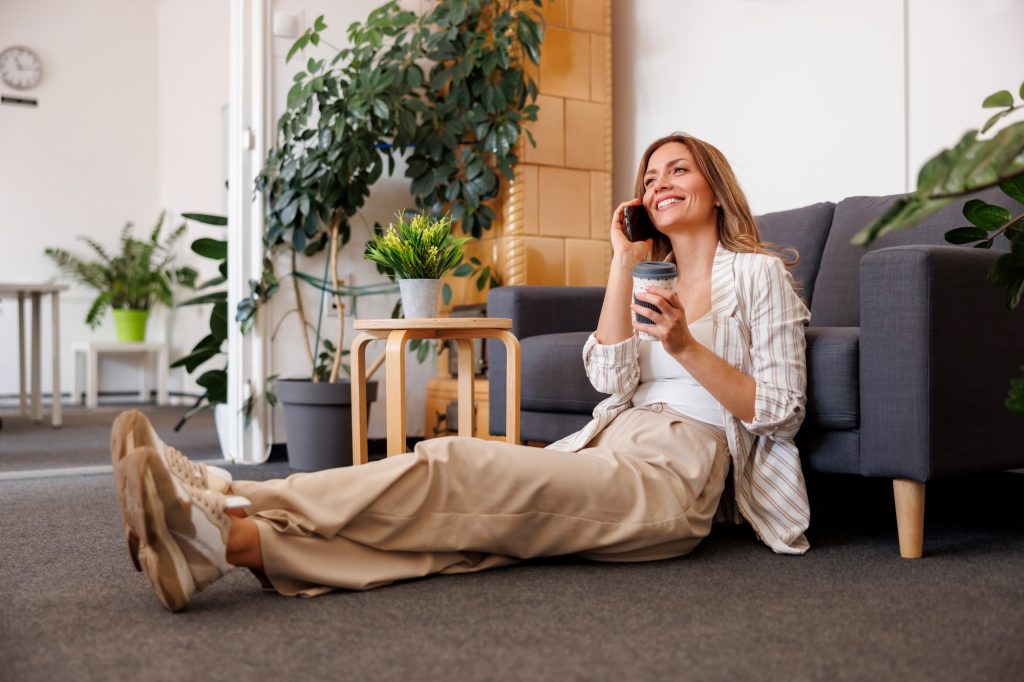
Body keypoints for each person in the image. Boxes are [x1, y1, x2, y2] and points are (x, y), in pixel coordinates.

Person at [110, 132, 811, 612]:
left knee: (455, 467)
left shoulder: (758, 276)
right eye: (650, 177)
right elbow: (609, 378)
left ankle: (224, 494)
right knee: (464, 533)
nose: (660, 184)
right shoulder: (643, 274)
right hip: (611, 440)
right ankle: (221, 543)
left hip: (674, 479)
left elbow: (782, 409)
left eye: (678, 170)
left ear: (715, 189)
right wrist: (622, 262)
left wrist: (687, 347)